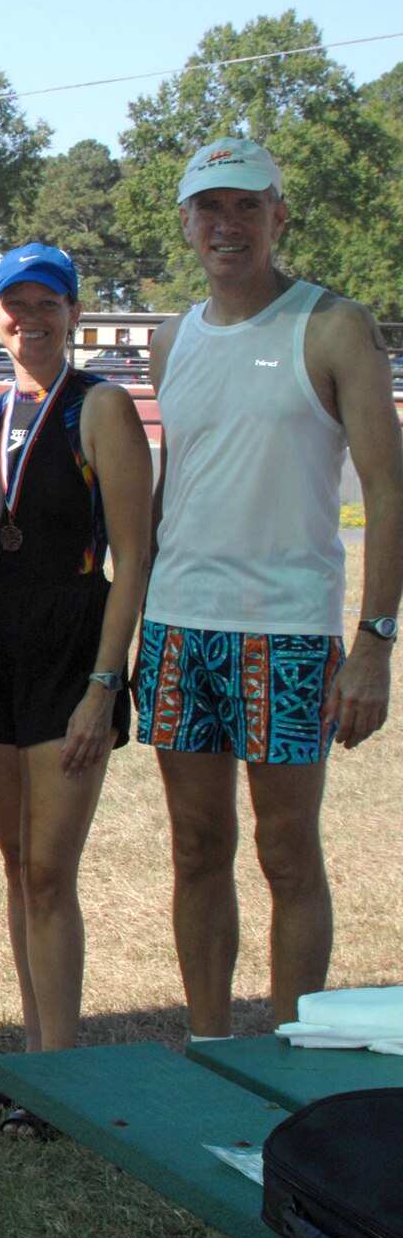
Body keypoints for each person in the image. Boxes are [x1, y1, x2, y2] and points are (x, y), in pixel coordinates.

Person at [141, 138, 403, 1038]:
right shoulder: (170, 338)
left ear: (279, 215)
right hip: (179, 627)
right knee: (195, 846)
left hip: (288, 632)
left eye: (247, 206)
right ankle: (211, 1039)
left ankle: (291, 1047)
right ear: (185, 220)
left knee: (288, 852)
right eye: (209, 208)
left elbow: (389, 486)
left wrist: (374, 640)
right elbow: (178, 487)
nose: (228, 225)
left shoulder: (331, 325)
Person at [0, 245, 151, 1135]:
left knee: (48, 869)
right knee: (14, 864)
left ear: (74, 312)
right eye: (12, 305)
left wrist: (105, 685)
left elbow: (134, 557)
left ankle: (59, 1073)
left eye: (46, 304)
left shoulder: (101, 407)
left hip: (74, 647)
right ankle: (31, 1055)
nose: (27, 319)